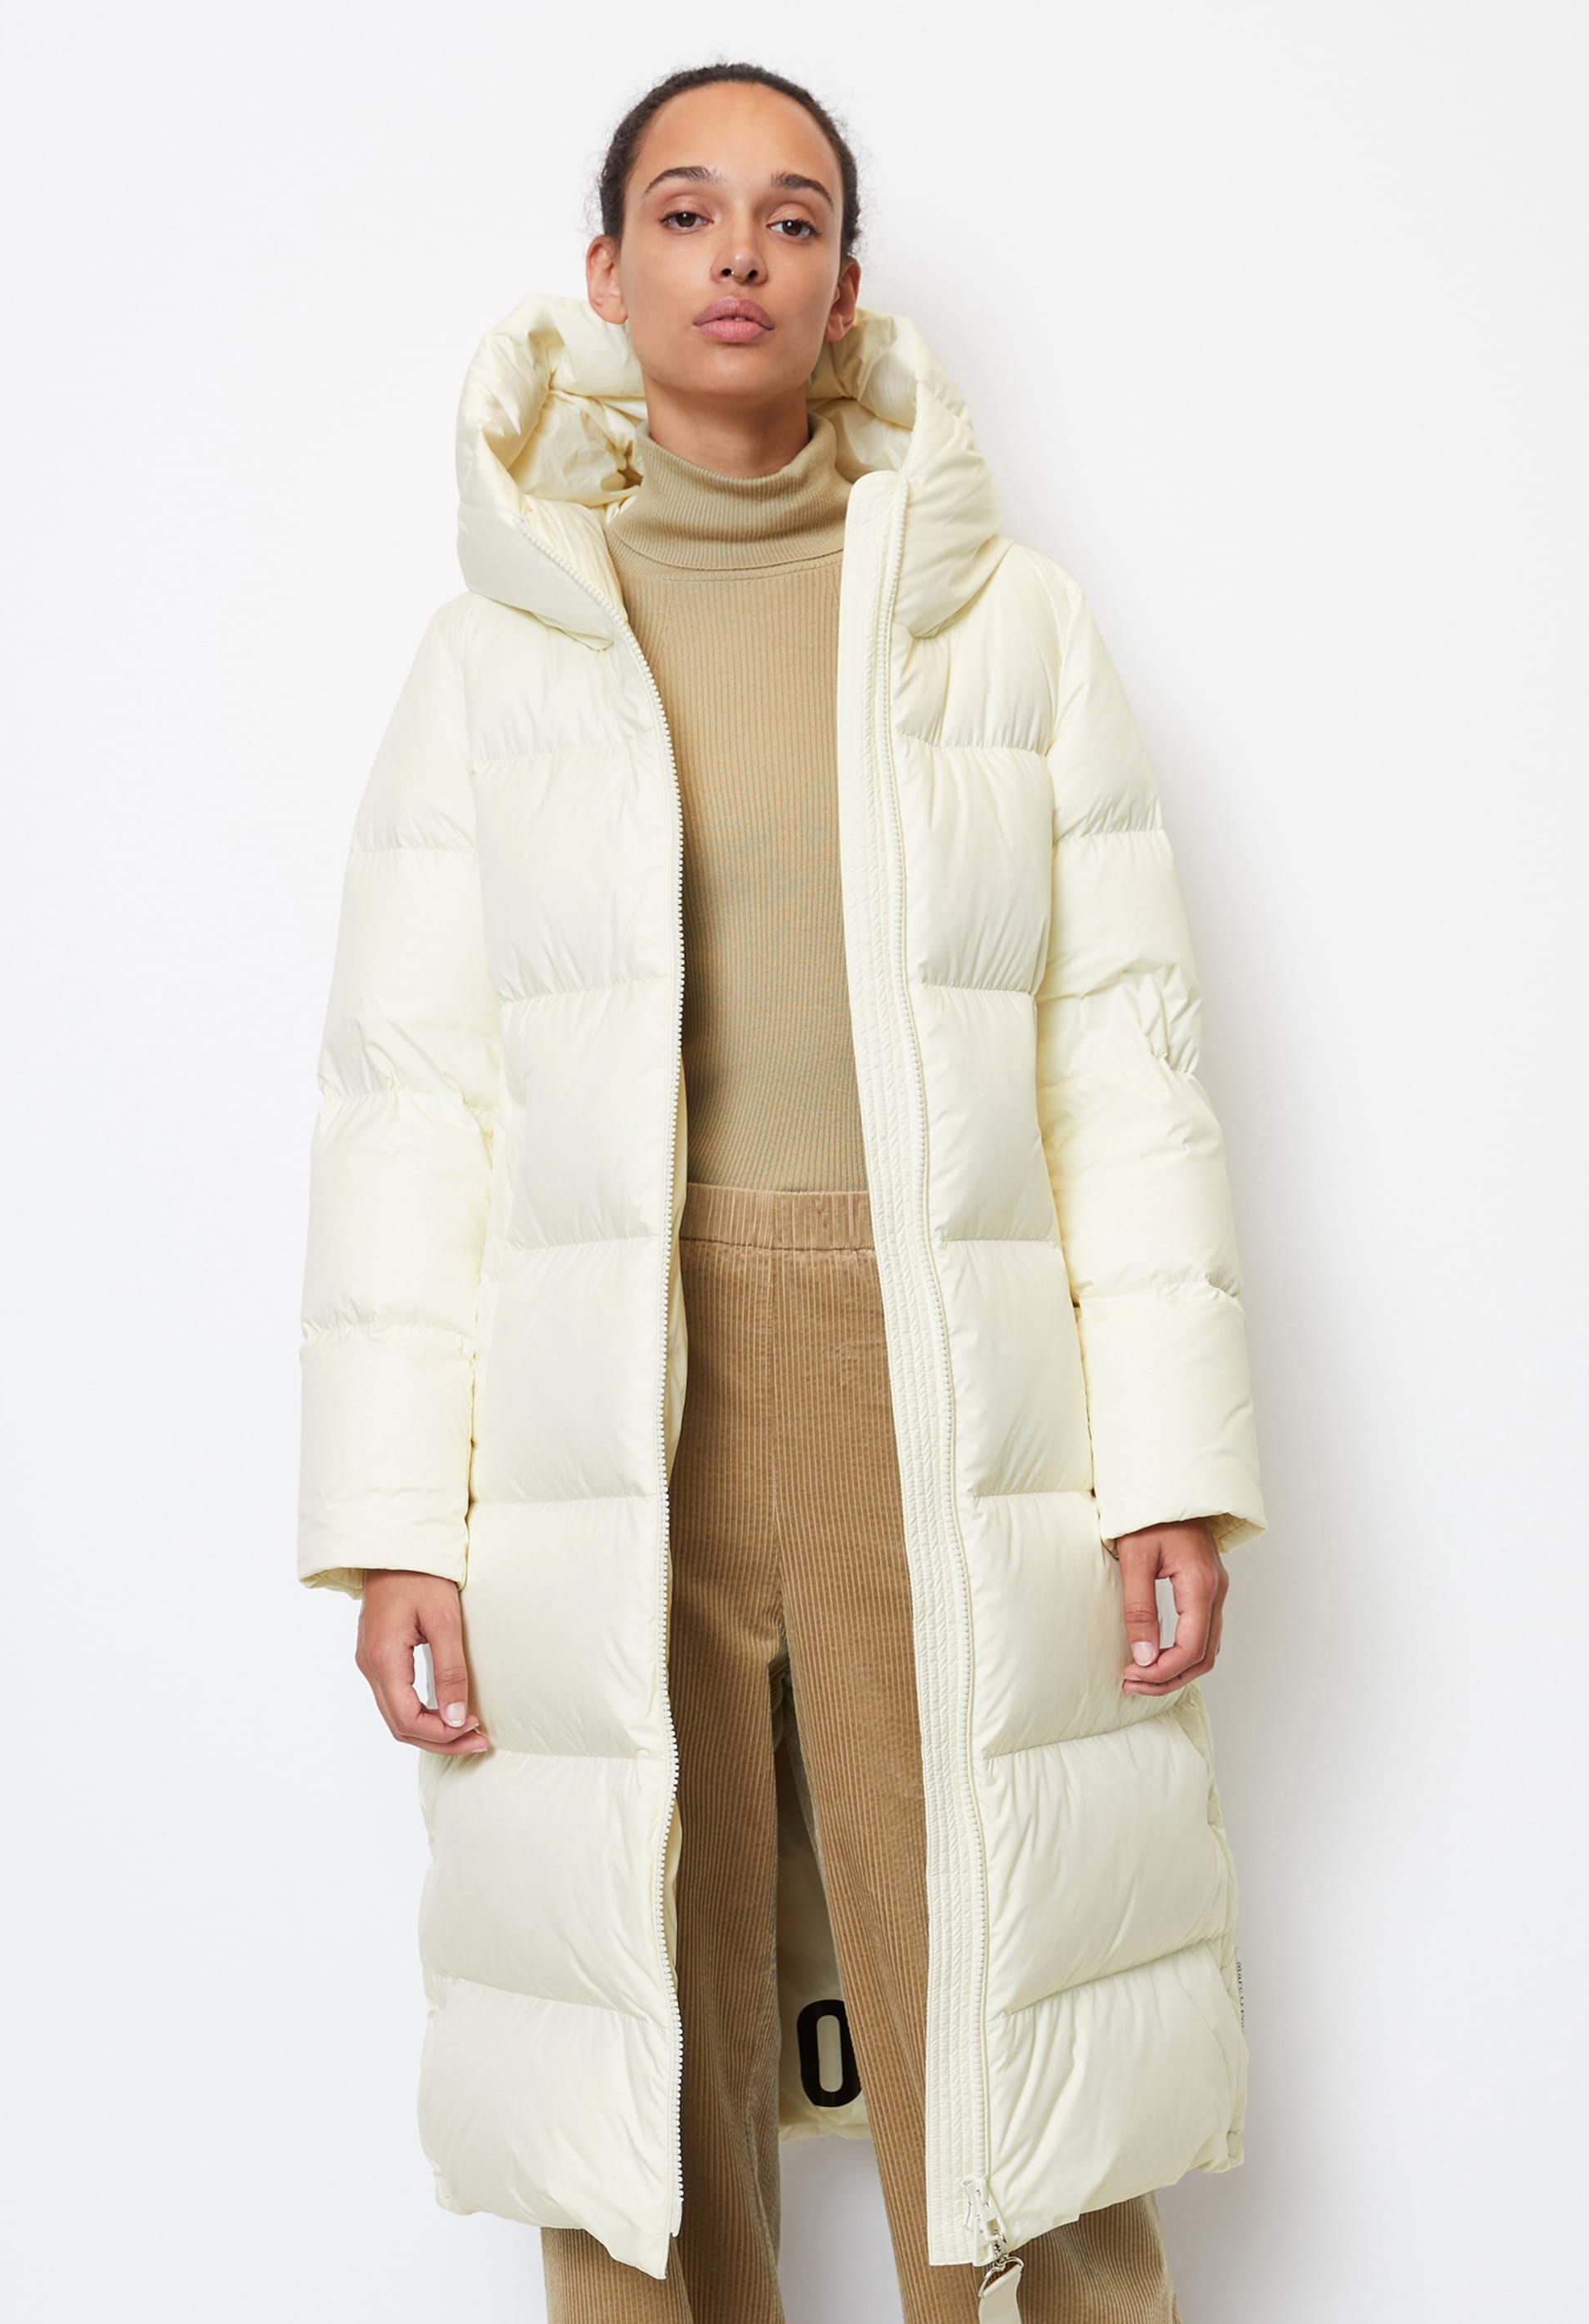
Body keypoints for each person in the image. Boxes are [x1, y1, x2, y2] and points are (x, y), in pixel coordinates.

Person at [296, 59, 1265, 2324]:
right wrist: (397, 1524)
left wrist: (1169, 1470)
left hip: (954, 1381)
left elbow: (1120, 1065)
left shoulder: (1007, 630)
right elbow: (410, 1109)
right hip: (602, 1408)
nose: (740, 251)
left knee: (1010, 2005)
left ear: (843, 287)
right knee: (641, 2035)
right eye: (688, 209)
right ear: (608, 270)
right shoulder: (497, 655)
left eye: (795, 215)